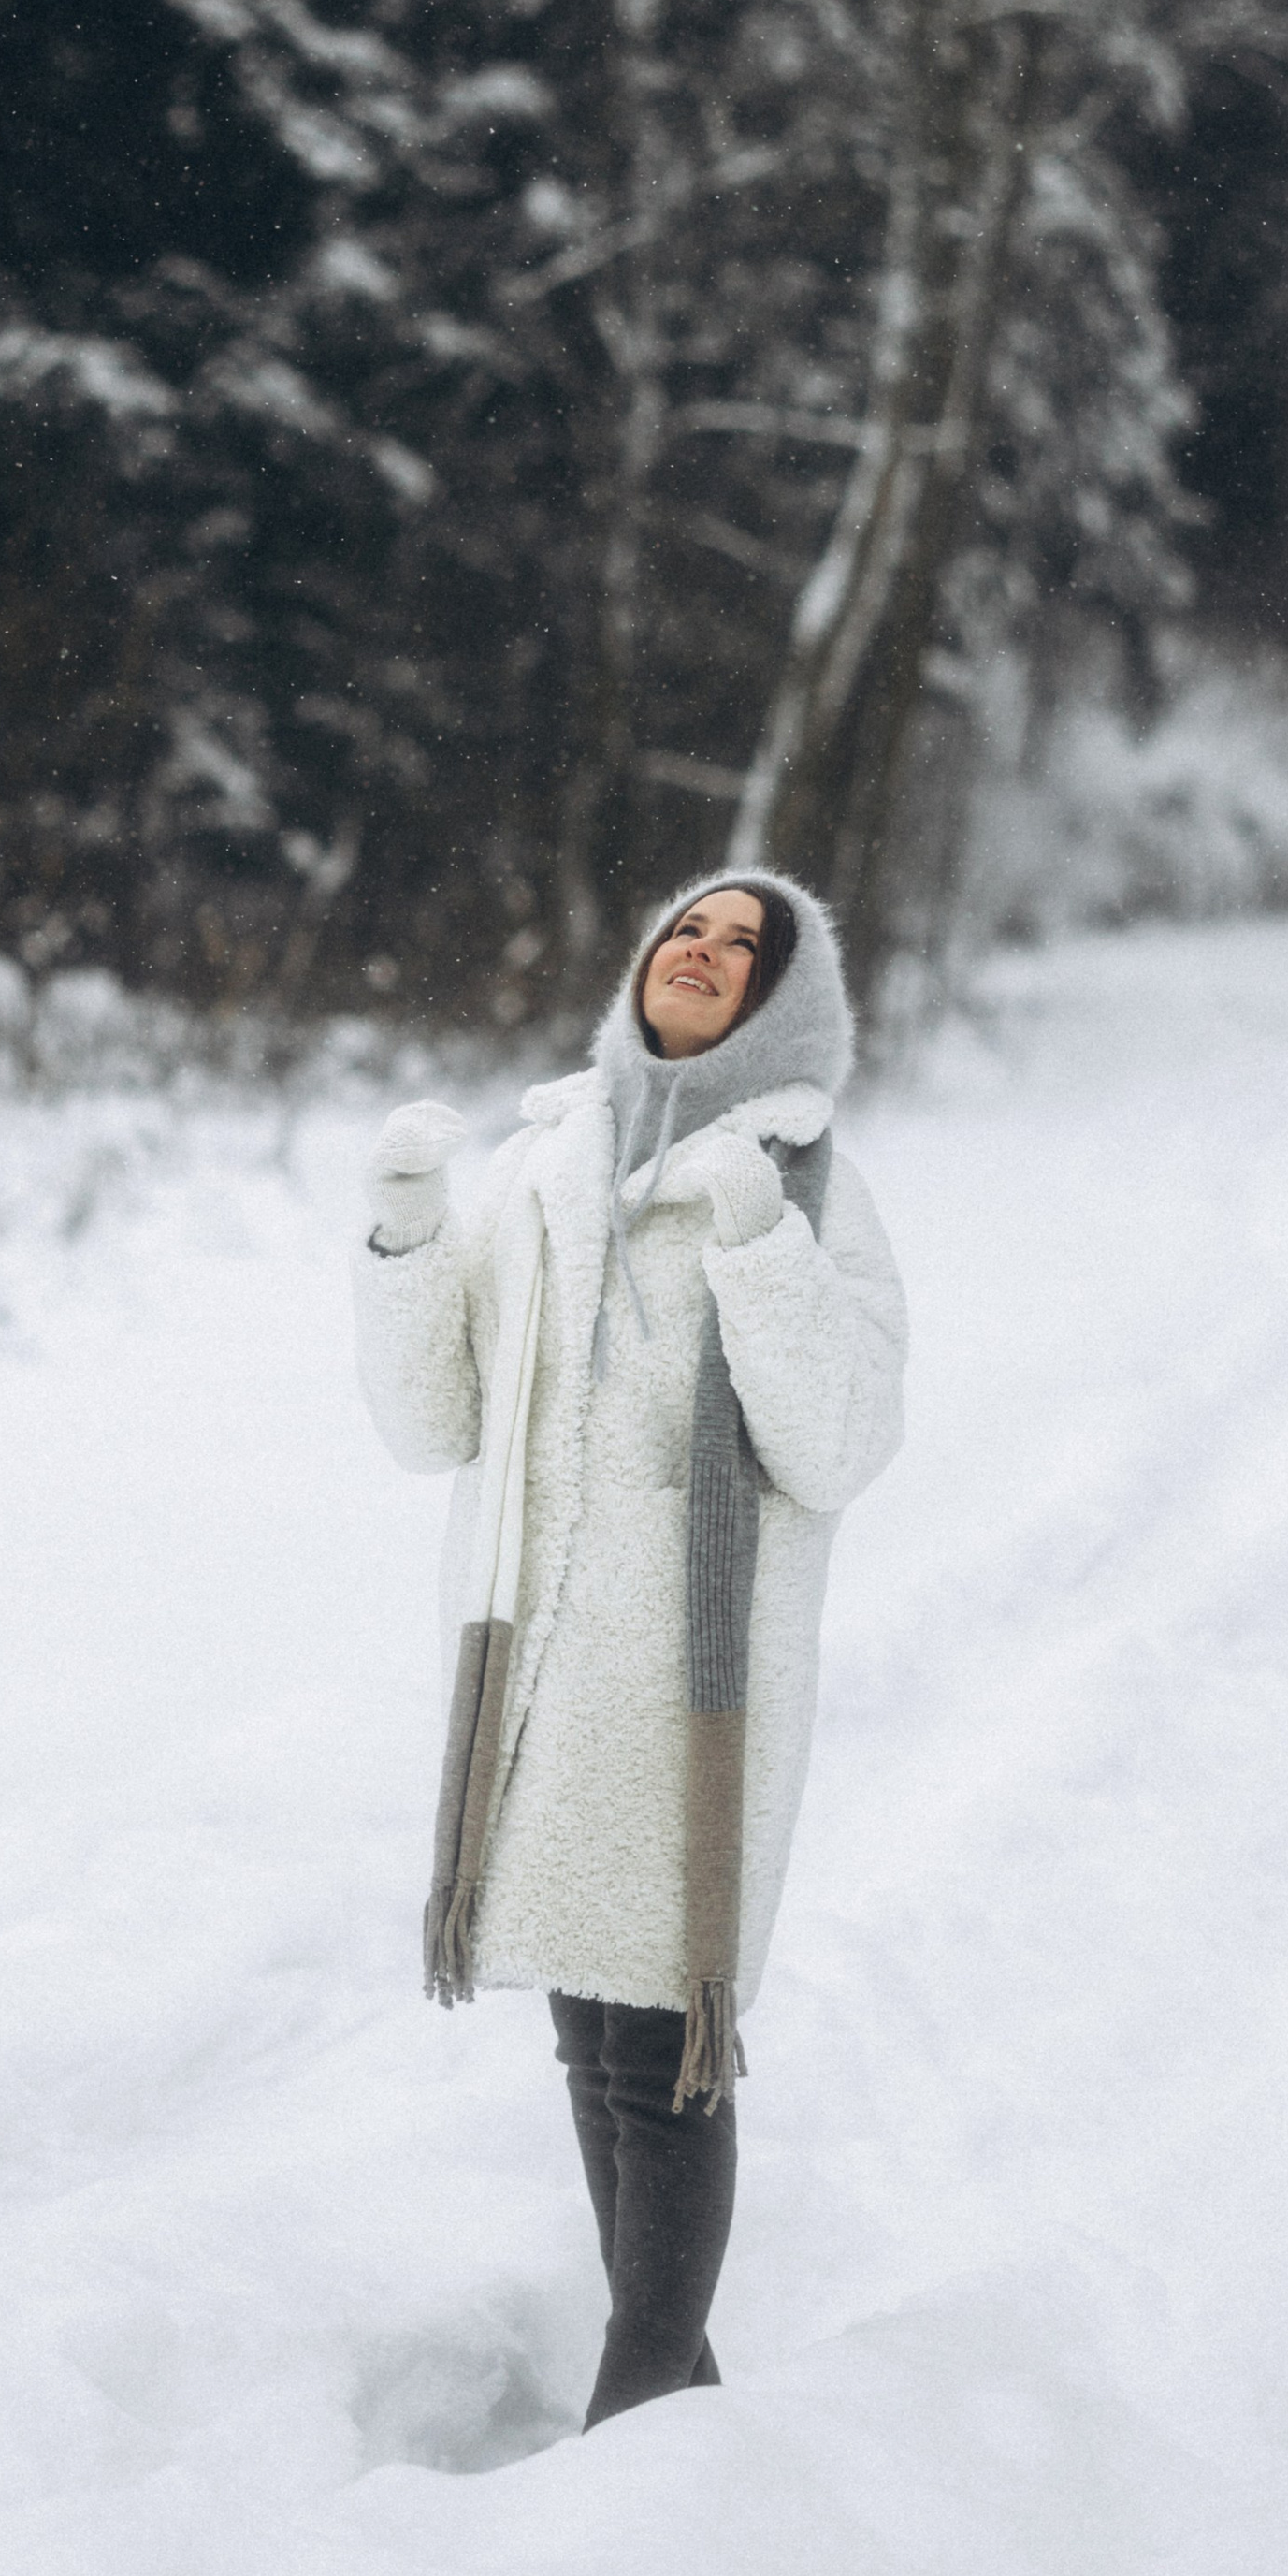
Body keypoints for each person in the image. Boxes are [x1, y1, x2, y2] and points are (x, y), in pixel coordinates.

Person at [352, 870, 908, 2429]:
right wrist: (405, 1240)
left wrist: (758, 1246)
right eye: (690, 929)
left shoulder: (810, 1190)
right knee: (595, 2045)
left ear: (780, 1005)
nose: (705, 953)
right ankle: (684, 2404)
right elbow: (436, 1423)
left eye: (746, 950)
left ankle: (639, 2410)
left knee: (670, 2060)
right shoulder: (543, 1166)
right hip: (540, 1680)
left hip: (691, 1692)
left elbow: (846, 1441)